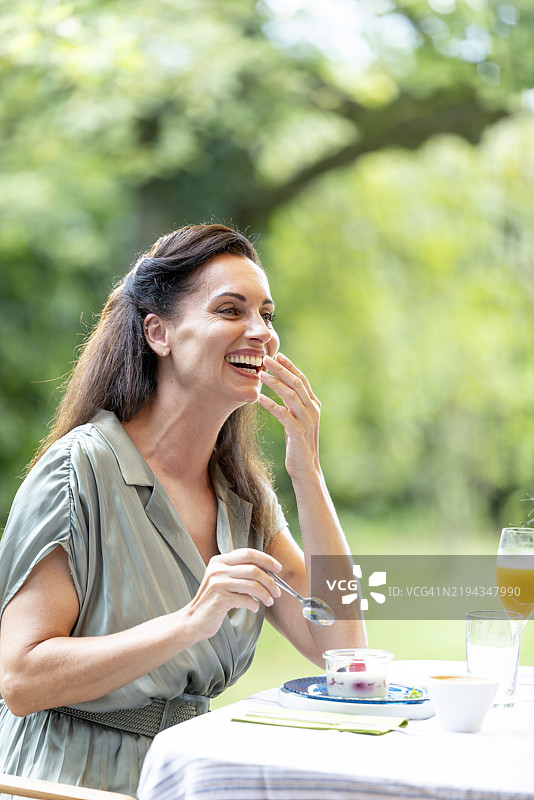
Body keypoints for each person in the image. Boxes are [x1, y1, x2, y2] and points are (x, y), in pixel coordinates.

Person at [0, 224, 366, 796]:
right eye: (231, 310)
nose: (261, 333)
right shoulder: (79, 472)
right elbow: (20, 678)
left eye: (267, 315)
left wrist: (307, 473)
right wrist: (190, 623)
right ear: (159, 333)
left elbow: (342, 649)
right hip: (64, 783)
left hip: (188, 781)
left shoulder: (244, 498)